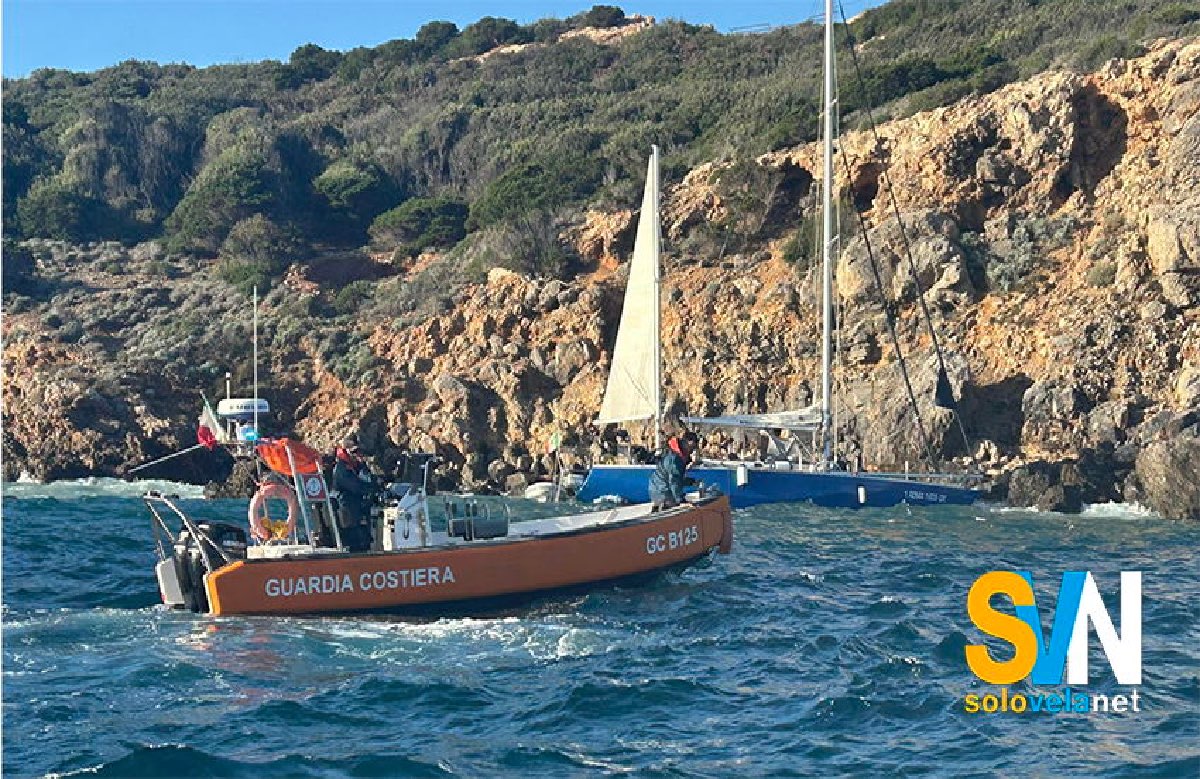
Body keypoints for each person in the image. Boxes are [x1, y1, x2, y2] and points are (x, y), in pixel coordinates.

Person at [332, 435, 375, 552]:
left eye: (359, 451)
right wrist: (371, 488)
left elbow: (368, 479)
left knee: (364, 537)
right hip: (346, 509)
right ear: (347, 451)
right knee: (354, 540)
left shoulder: (357, 466)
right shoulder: (341, 468)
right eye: (354, 452)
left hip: (357, 508)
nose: (358, 454)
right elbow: (355, 486)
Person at [649, 431, 698, 511]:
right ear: (688, 442)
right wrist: (680, 501)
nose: (692, 450)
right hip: (662, 491)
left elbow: (677, 479)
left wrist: (692, 482)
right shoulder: (674, 458)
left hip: (658, 489)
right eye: (693, 446)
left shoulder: (677, 455)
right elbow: (674, 481)